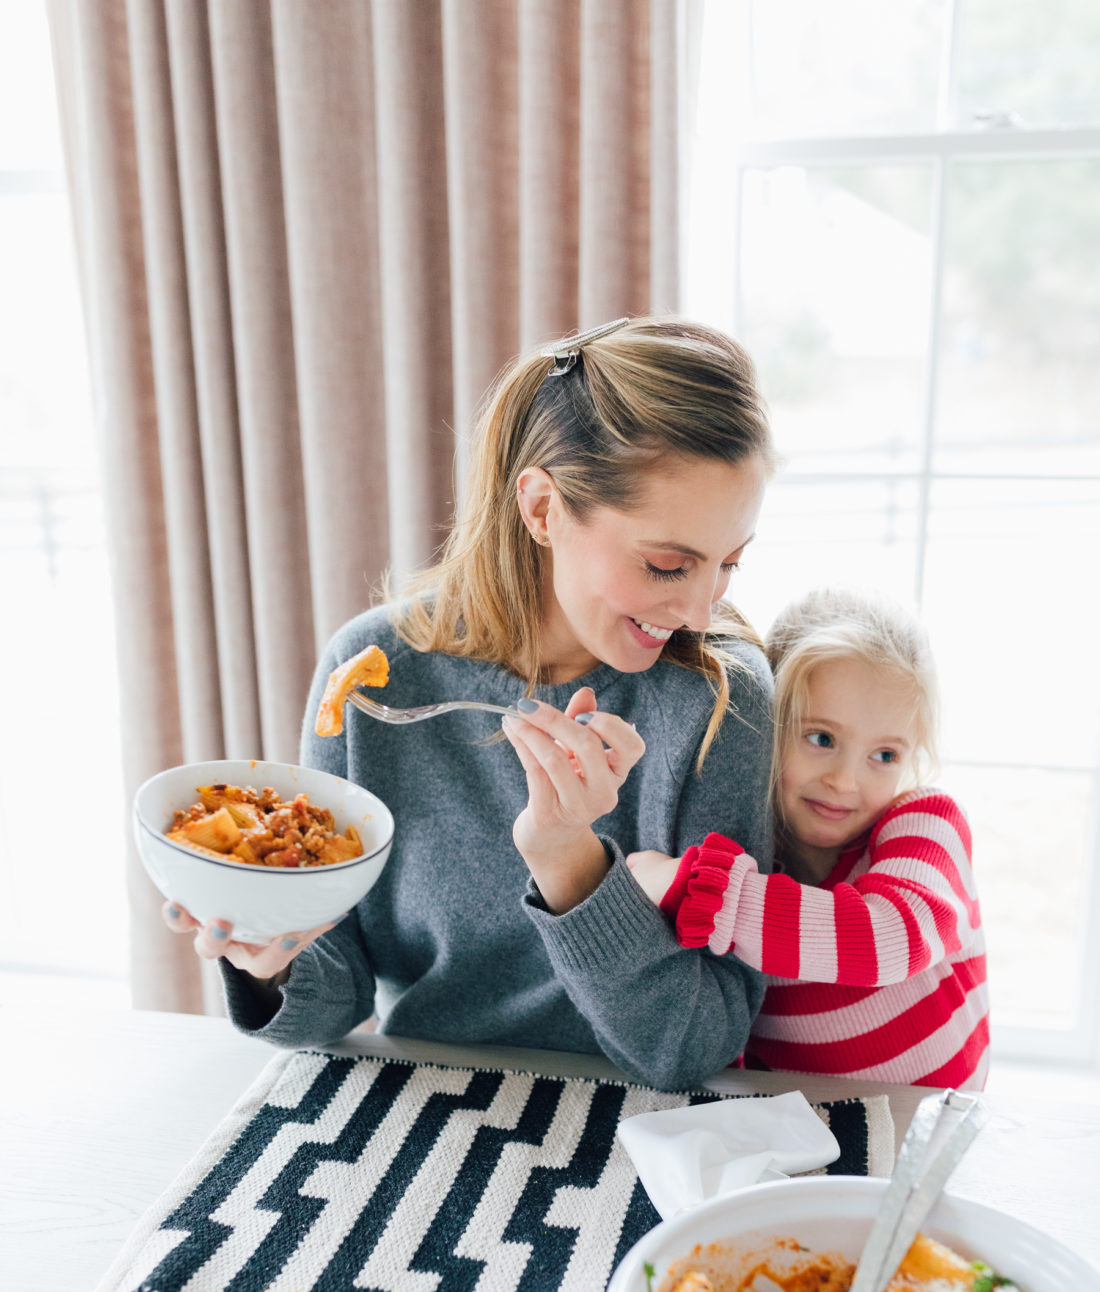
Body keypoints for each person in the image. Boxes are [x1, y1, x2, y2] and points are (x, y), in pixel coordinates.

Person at [165, 317, 776, 1091]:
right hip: (421, 1109)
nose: (697, 610)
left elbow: (693, 1049)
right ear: (542, 509)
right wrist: (271, 958)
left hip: (642, 1137)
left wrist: (570, 860)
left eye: (728, 563)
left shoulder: (722, 703)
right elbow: (337, 997)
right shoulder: (375, 677)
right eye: (666, 565)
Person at [628, 588, 990, 1089]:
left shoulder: (927, 824)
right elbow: (725, 1019)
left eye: (884, 756)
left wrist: (688, 885)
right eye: (821, 739)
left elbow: (887, 941)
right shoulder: (750, 856)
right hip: (809, 1133)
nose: (845, 781)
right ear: (767, 729)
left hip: (932, 1129)